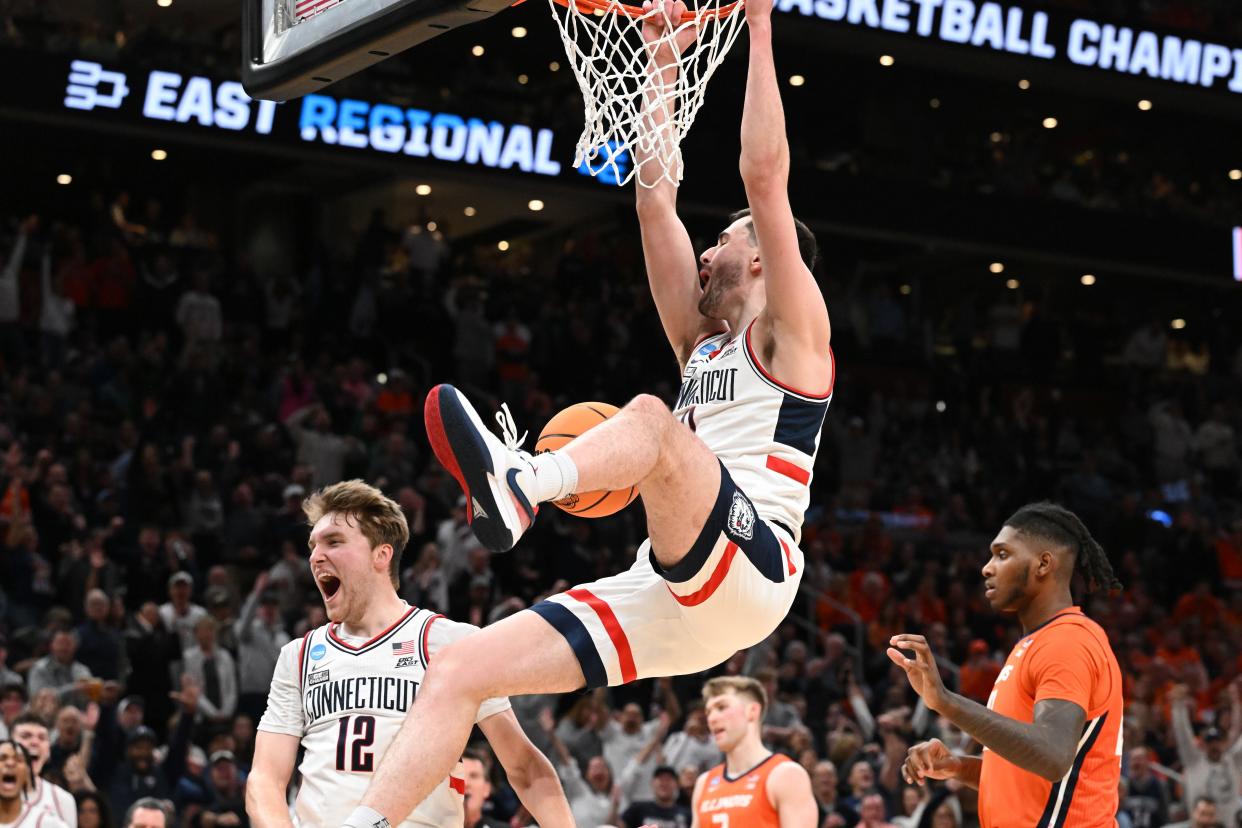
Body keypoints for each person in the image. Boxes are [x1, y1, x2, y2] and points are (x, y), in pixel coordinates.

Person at [348, 0, 832, 819]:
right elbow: (653, 201)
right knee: (460, 668)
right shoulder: (700, 345)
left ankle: (522, 481)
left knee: (650, 419)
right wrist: (662, 64)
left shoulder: (796, 337)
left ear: (762, 253)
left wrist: (758, 27)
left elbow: (764, 177)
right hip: (676, 587)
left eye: (723, 240)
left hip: (756, 564)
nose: (706, 252)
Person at [245, 480, 571, 828]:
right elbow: (265, 779)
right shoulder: (299, 655)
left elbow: (523, 766)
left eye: (334, 542)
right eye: (313, 545)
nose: (315, 556)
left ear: (381, 555)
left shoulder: (450, 642)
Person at [889, 502, 1125, 828]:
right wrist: (958, 766)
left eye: (1002, 555)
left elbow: (1052, 757)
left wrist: (944, 701)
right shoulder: (1034, 645)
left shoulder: (1068, 642)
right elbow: (1027, 775)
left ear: (1043, 564)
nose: (986, 568)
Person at [689, 677, 816, 827]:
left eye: (721, 707)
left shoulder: (785, 775)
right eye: (709, 711)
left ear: (752, 711)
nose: (712, 718)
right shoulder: (704, 783)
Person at [1169, 683, 1242, 827]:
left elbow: (1239, 734)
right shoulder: (1194, 761)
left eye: (1218, 741)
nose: (1214, 746)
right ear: (1203, 744)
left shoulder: (1234, 760)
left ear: (1224, 742)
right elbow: (1182, 734)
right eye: (1210, 742)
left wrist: (1237, 702)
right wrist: (1178, 706)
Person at [10, 715, 76, 826]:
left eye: (42, 738)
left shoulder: (63, 800)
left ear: (48, 750)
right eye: (26, 736)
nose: (35, 742)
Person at [0, 740, 69, 828]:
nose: (10, 763)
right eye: (2, 758)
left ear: (27, 774)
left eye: (18, 760)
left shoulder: (48, 823)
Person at [621, 766, 691, 828]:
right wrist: (615, 805)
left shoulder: (687, 814)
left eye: (668, 779)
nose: (664, 783)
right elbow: (618, 825)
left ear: (677, 784)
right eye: (660, 779)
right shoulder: (638, 809)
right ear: (652, 783)